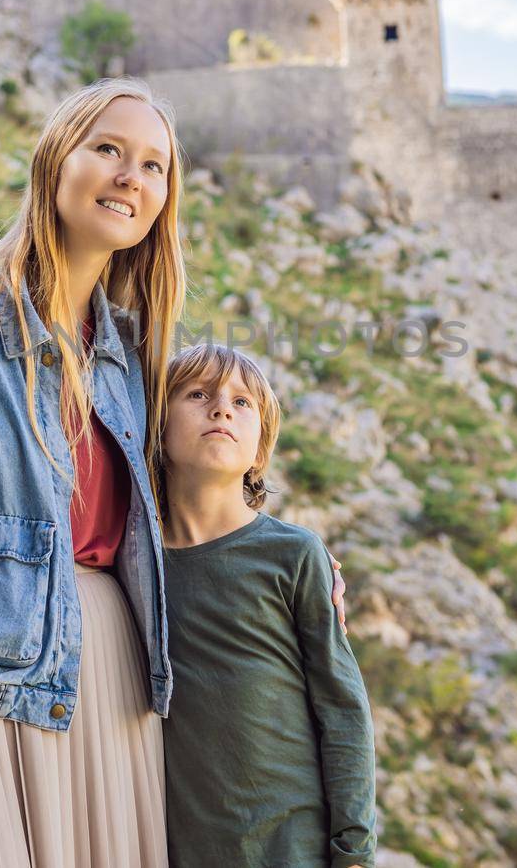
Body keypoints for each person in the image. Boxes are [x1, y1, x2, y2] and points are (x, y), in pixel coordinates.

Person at [0, 77, 347, 867]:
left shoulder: (132, 355)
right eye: (108, 149)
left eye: (154, 165)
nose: (131, 175)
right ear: (56, 161)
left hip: (112, 683)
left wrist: (283, 553)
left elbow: (185, 497)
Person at [158, 343, 377, 868]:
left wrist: (353, 852)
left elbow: (343, 710)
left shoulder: (294, 555)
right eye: (198, 394)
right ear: (156, 430)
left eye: (241, 403)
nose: (221, 409)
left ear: (260, 450)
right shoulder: (130, 559)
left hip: (292, 848)